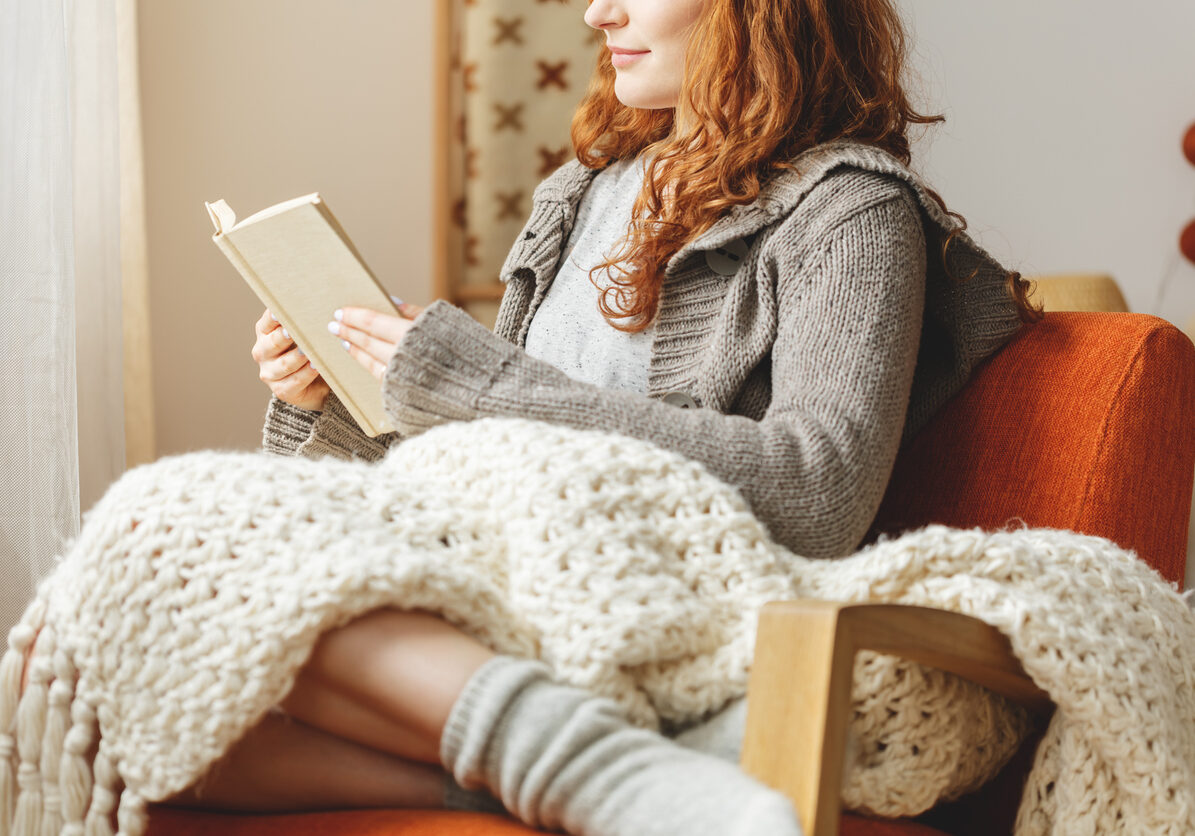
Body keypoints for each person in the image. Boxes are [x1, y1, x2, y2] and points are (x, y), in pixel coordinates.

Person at [25, 0, 1040, 833]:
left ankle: (577, 757)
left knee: (162, 516)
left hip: (652, 595)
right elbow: (492, 457)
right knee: (106, 705)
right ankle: (594, 777)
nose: (597, 14)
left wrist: (478, 383)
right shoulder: (580, 193)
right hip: (506, 568)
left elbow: (819, 491)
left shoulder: (850, 211)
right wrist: (329, 401)